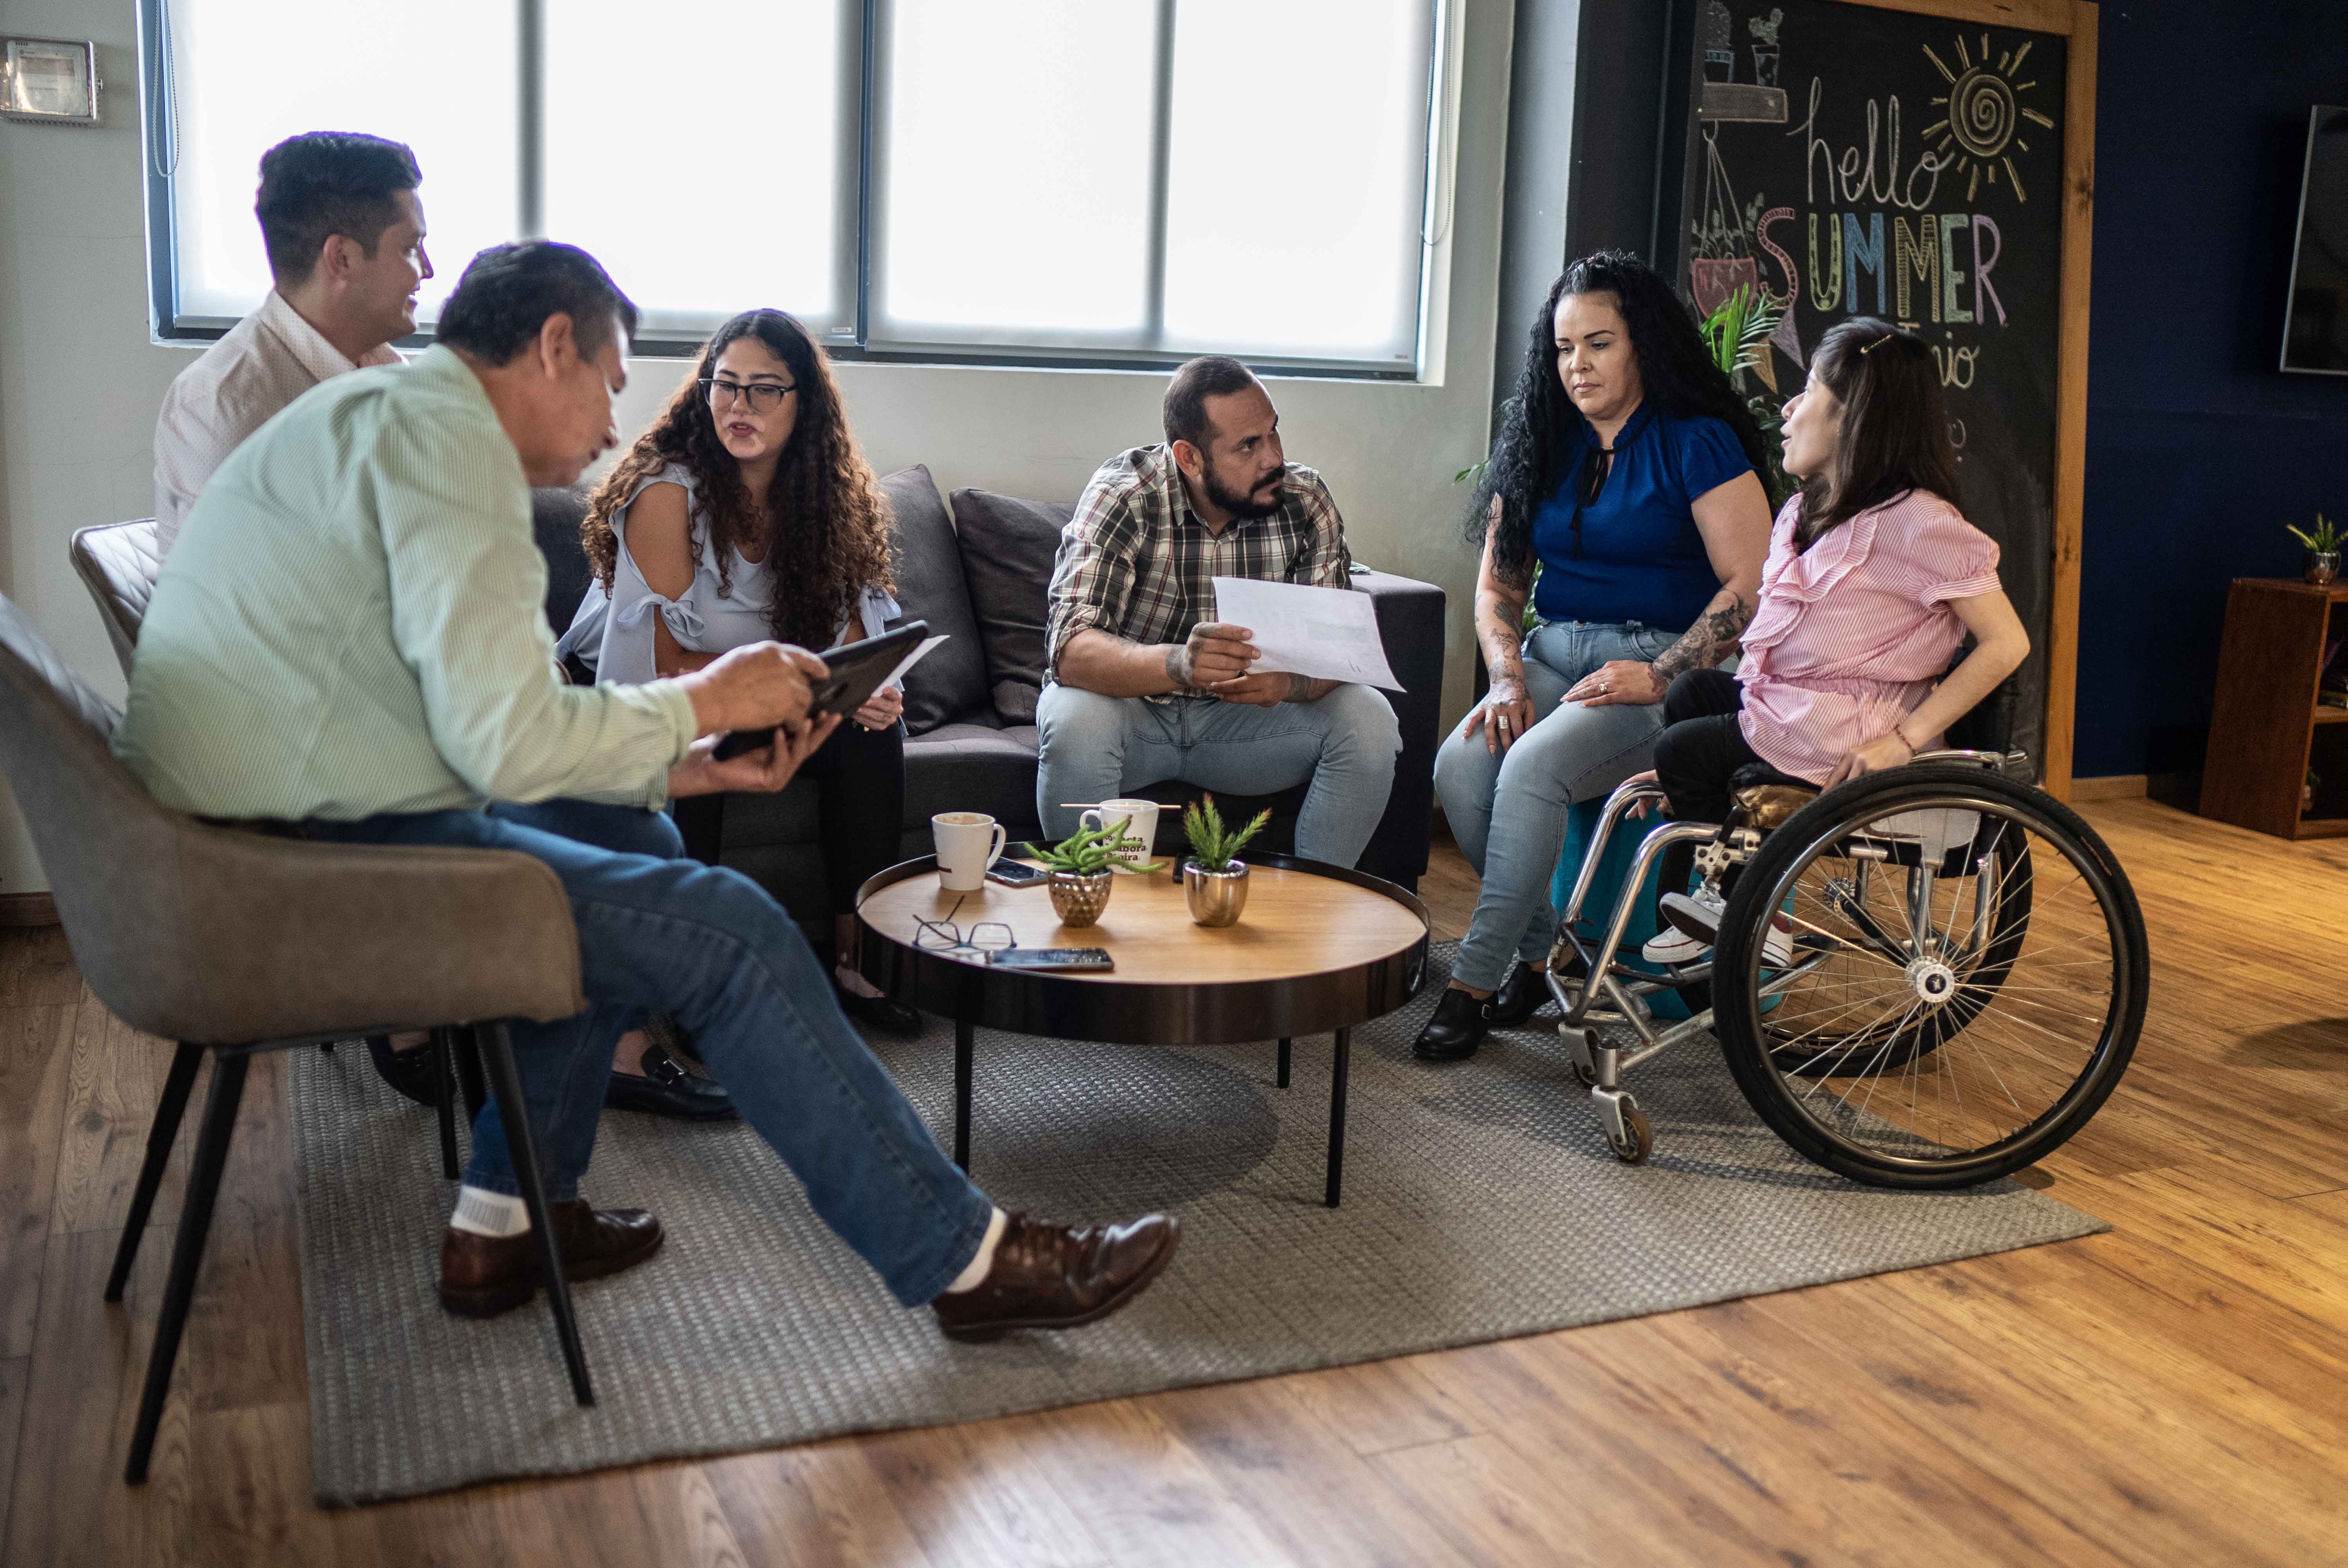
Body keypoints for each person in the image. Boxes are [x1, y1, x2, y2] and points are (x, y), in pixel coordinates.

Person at [114, 241, 1178, 1340]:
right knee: (725, 924)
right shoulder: (443, 459)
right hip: (285, 872)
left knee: (646, 844)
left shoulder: (385, 424)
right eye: (613, 385)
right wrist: (711, 702)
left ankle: (510, 1216)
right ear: (554, 347)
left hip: (281, 819)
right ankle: (965, 1261)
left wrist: (687, 763)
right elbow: (510, 740)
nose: (613, 430)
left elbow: (481, 728)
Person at [1417, 253, 1774, 1061]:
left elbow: (1751, 587)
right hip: (1550, 656)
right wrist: (1508, 675)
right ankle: (1549, 945)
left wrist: (1660, 672)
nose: (1576, 365)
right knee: (1461, 768)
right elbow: (1497, 593)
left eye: (1599, 344)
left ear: (1643, 343)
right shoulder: (1542, 444)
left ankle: (1474, 982)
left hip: (1657, 671)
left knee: (1532, 770)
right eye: (1563, 348)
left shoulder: (1698, 443)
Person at [561, 309, 922, 1041]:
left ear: (804, 404)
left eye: (764, 389)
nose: (738, 406)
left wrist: (871, 694)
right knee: (701, 738)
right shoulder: (667, 491)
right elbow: (665, 669)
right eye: (724, 385)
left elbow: (855, 642)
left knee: (874, 739)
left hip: (768, 689)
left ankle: (857, 959)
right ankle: (691, 985)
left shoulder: (829, 501)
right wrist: (769, 690)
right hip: (664, 695)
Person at [1639, 316, 2030, 964]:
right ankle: (1711, 904)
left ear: (1854, 415)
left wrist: (1904, 741)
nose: (1790, 408)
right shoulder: (1805, 514)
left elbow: (2006, 643)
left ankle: (1747, 913)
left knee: (1686, 748)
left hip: (1852, 728)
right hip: (1798, 710)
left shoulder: (1920, 523)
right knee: (1689, 697)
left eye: (1810, 389)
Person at [1037, 356, 1401, 862]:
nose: (1273, 457)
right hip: (1135, 715)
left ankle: (1314, 917)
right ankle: (1092, 907)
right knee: (1074, 718)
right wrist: (1179, 665)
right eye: (1248, 446)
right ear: (1189, 458)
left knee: (1370, 719)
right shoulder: (1124, 496)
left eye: (1273, 434)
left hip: (1246, 725)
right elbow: (1071, 651)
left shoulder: (1306, 501)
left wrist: (1289, 685)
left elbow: (1336, 652)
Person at [153, 131, 430, 556]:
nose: (427, 271)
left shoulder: (384, 367)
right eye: (411, 248)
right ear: (342, 258)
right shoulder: (225, 408)